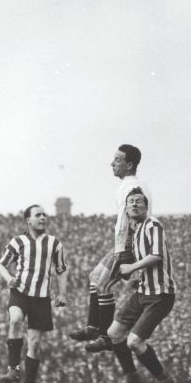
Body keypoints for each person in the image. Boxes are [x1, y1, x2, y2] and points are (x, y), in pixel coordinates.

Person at [69, 144, 150, 352]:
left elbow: (130, 220)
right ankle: (93, 327)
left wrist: (125, 253)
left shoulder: (129, 188)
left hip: (129, 242)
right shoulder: (134, 185)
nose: (112, 163)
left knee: (102, 283)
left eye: (117, 159)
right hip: (126, 242)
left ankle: (106, 336)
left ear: (129, 164)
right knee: (95, 276)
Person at [104, 189, 178, 383]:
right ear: (126, 209)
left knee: (134, 342)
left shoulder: (153, 224)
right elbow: (135, 266)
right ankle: (131, 376)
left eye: (139, 201)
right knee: (114, 333)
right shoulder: (135, 233)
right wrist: (126, 277)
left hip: (160, 294)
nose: (134, 204)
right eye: (130, 202)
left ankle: (164, 380)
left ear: (146, 207)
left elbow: (155, 256)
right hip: (143, 291)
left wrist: (131, 268)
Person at [0, 204, 67, 383]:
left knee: (34, 345)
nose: (43, 218)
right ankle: (13, 369)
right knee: (15, 319)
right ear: (28, 220)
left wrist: (62, 293)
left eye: (44, 215)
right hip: (19, 292)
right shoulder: (18, 241)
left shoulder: (54, 243)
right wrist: (8, 278)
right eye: (38, 215)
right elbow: (1, 265)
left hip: (41, 297)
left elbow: (61, 269)